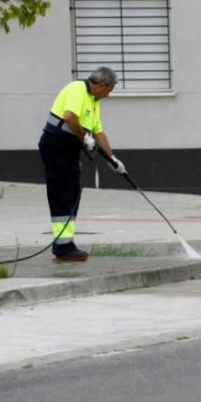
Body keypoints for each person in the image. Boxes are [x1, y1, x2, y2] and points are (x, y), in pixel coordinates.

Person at [38, 67, 127, 262]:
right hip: (56, 145)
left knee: (73, 192)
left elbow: (99, 133)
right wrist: (83, 136)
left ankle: (65, 243)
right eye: (109, 90)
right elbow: (69, 117)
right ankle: (63, 247)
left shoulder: (94, 103)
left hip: (69, 150)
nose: (109, 95)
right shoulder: (78, 88)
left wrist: (113, 160)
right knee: (62, 193)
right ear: (102, 85)